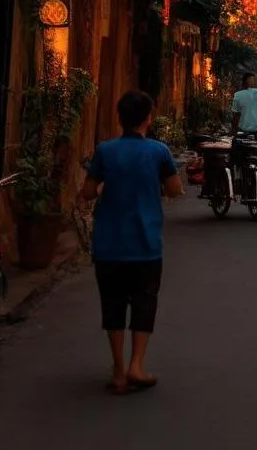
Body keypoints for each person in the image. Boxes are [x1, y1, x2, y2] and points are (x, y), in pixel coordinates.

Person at [79, 90, 183, 395]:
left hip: (108, 243)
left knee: (112, 304)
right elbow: (175, 189)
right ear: (148, 119)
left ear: (119, 118)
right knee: (143, 301)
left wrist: (106, 190)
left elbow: (87, 191)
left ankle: (118, 369)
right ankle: (137, 363)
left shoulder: (105, 151)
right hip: (146, 242)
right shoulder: (159, 152)